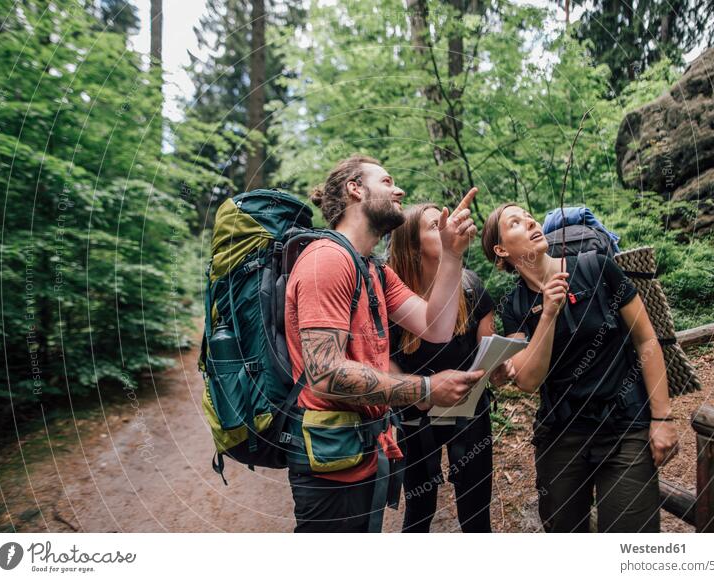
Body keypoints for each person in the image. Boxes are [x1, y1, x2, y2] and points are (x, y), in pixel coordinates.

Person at [283, 154, 483, 532]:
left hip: (365, 452)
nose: (400, 189)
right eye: (388, 181)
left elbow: (435, 327)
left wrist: (453, 252)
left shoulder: (373, 268)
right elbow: (325, 374)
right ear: (355, 189)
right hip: (329, 463)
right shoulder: (326, 260)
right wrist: (425, 388)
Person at [482, 203, 679, 533]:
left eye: (528, 216)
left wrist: (662, 418)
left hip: (624, 425)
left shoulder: (596, 269)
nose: (530, 221)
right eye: (515, 222)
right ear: (501, 250)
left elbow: (646, 340)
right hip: (561, 435)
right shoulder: (515, 305)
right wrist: (547, 314)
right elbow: (529, 380)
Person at [388, 203, 496, 532]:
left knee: (477, 514)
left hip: (470, 412)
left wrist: (499, 368)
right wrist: (420, 392)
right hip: (416, 416)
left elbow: (488, 350)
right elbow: (383, 362)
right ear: (412, 244)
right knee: (419, 510)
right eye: (435, 226)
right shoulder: (392, 295)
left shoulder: (471, 286)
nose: (446, 228)